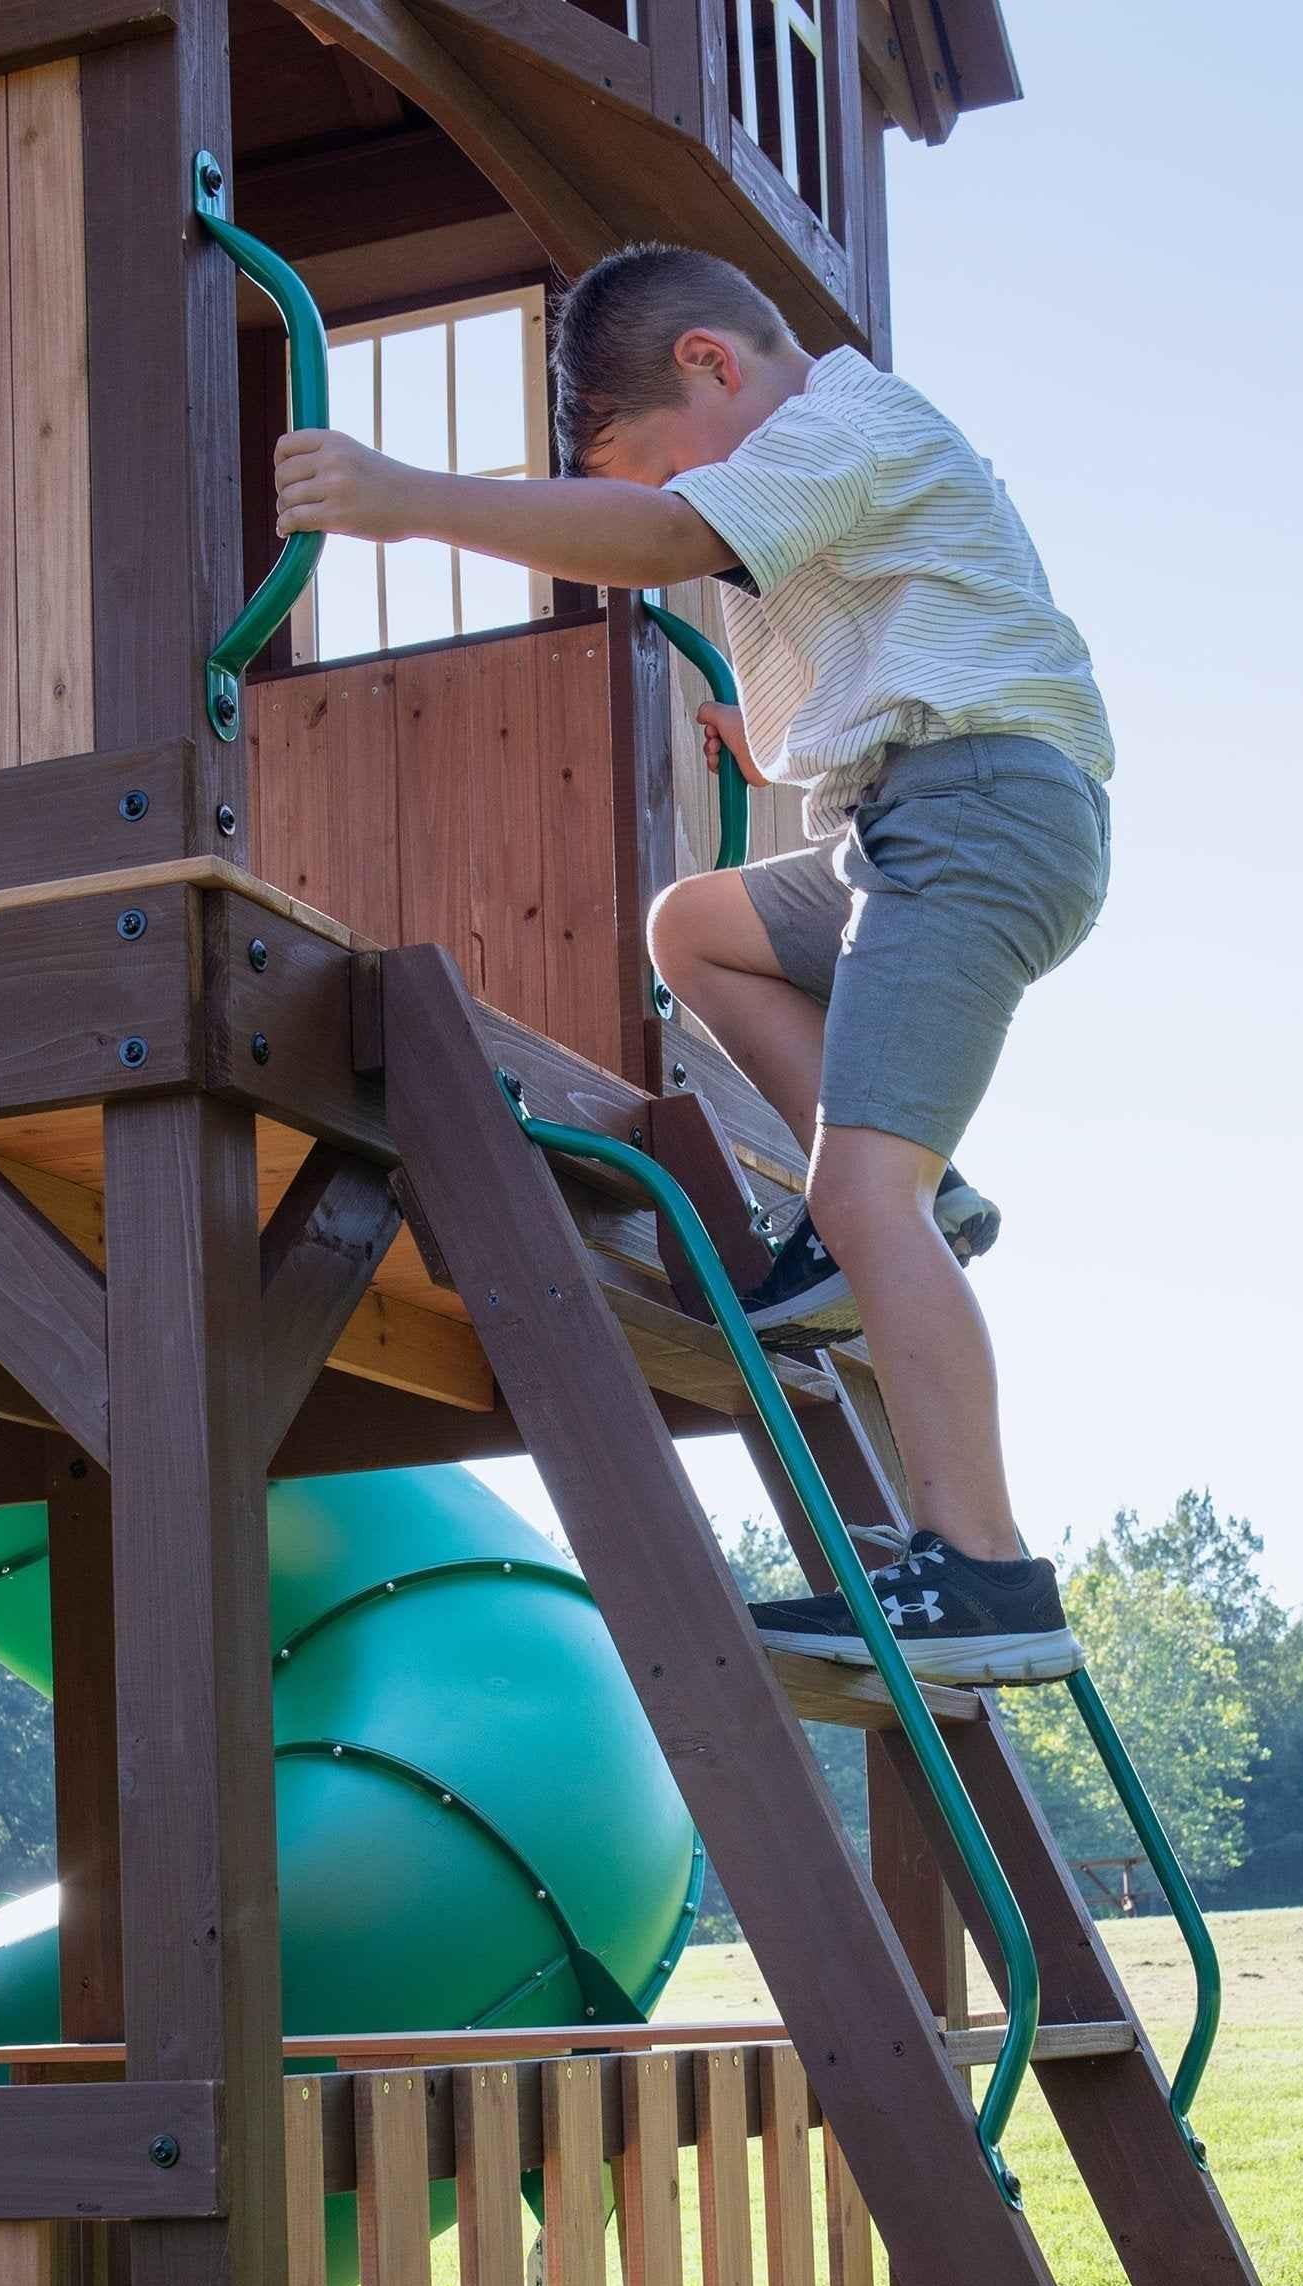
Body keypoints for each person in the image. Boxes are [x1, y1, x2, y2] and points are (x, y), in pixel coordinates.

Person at [276, 241, 1112, 1685]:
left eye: (663, 470)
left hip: (978, 815)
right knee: (698, 928)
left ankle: (987, 1577)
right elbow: (890, 644)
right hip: (926, 820)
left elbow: (666, 544)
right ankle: (920, 1205)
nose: (675, 511)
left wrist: (404, 502)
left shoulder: (848, 421)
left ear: (714, 366)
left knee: (864, 1195)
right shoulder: (843, 460)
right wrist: (770, 748)